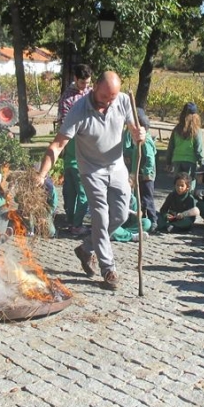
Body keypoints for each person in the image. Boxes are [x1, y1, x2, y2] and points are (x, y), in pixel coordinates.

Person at [36, 71, 145, 290]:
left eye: (112, 98)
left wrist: (138, 134)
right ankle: (108, 268)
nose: (108, 102)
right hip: (92, 170)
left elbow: (134, 129)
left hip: (117, 167)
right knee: (101, 216)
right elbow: (57, 146)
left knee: (122, 215)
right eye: (105, 97)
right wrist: (41, 174)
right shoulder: (78, 110)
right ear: (94, 87)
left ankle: (86, 248)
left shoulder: (123, 101)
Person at [57, 64, 93, 236]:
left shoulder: (91, 94)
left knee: (77, 191)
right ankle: (75, 223)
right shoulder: (67, 99)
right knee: (77, 192)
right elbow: (65, 125)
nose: (85, 86)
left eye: (87, 83)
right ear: (75, 79)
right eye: (82, 83)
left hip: (86, 147)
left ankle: (72, 221)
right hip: (76, 148)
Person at [124, 107, 157, 228]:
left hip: (146, 176)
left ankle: (153, 220)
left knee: (147, 198)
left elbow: (149, 157)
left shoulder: (146, 140)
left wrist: (146, 172)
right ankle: (140, 218)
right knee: (139, 198)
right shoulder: (136, 140)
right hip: (138, 174)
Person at [165, 102, 204, 184]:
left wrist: (168, 162)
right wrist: (201, 162)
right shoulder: (196, 130)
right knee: (189, 185)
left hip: (177, 160)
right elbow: (198, 148)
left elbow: (171, 147)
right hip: (190, 161)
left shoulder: (176, 129)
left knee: (178, 184)